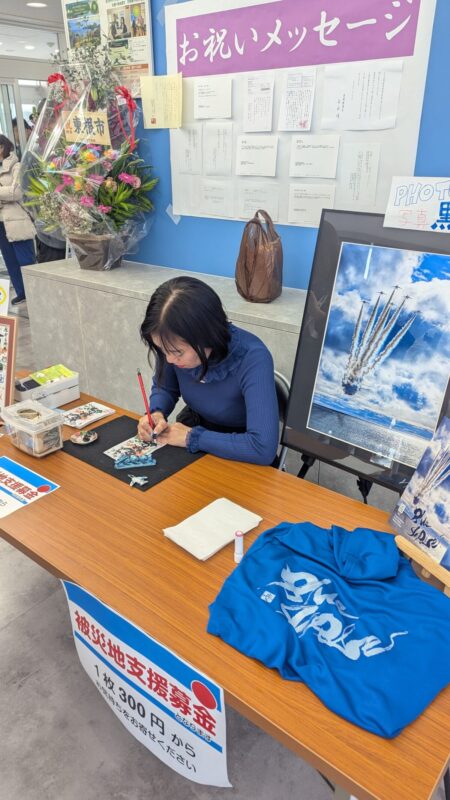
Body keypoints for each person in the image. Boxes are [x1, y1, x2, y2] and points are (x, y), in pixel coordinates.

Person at [138, 276, 279, 465]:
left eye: (177, 352)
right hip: (194, 433)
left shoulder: (253, 358)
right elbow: (165, 388)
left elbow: (262, 448)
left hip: (240, 450)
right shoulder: (171, 345)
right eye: (163, 351)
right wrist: (156, 413)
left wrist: (191, 437)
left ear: (206, 336)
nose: (169, 359)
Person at [0, 135, 36, 305]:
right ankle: (22, 292)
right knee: (10, 260)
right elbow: (8, 192)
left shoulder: (16, 165)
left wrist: (6, 193)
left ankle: (35, 291)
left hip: (17, 220)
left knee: (25, 259)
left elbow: (16, 192)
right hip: (1, 223)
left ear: (1, 147)